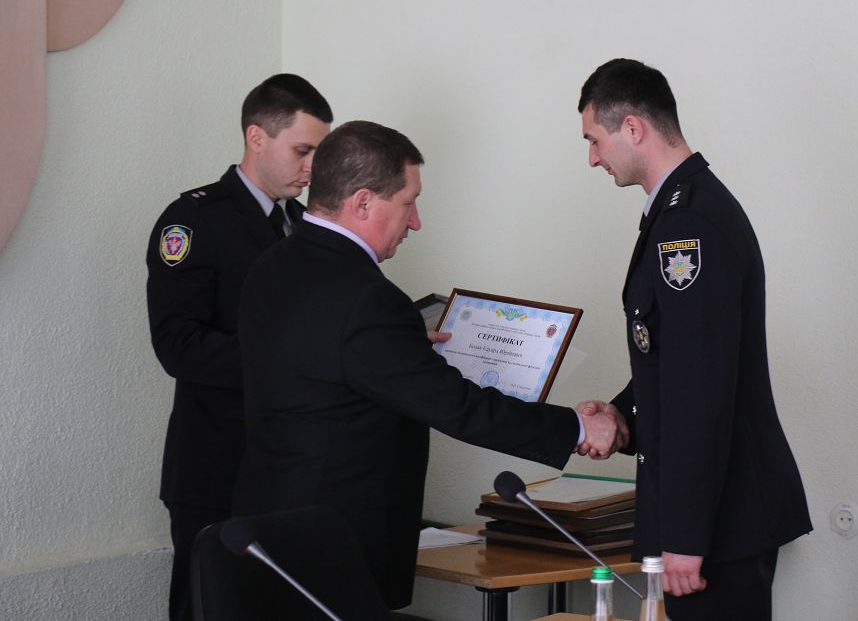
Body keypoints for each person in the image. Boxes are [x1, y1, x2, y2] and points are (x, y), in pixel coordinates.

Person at [231, 120, 623, 610]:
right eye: (409, 202)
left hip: (267, 528)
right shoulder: (368, 299)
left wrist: (399, 349)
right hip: (333, 545)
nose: (415, 222)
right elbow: (458, 407)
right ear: (363, 202)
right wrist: (577, 427)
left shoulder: (272, 265)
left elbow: (323, 363)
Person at [575, 58, 812, 620]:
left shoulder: (689, 226)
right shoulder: (679, 209)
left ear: (633, 128)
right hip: (719, 513)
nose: (593, 159)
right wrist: (623, 412)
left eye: (594, 140)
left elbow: (699, 388)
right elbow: (675, 356)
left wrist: (685, 534)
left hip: (719, 522)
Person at [145, 73, 332, 621]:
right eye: (303, 151)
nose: (313, 169)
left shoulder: (303, 224)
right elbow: (179, 345)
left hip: (290, 463)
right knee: (207, 608)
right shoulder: (195, 220)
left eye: (319, 154)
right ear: (257, 137)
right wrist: (290, 362)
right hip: (217, 465)